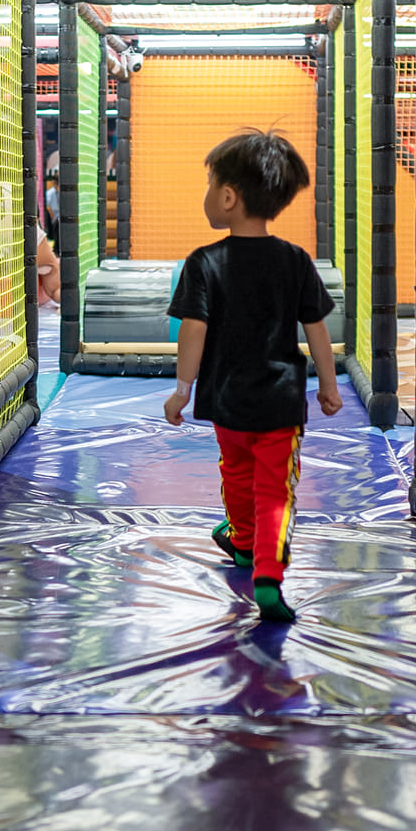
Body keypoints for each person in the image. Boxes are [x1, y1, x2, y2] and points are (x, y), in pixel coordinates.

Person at [162, 129, 341, 625]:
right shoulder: (295, 260)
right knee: (275, 490)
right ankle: (267, 573)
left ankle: (243, 542)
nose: (206, 195)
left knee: (236, 474)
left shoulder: (204, 262)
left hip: (226, 401)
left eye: (209, 185)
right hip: (279, 403)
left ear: (228, 197)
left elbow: (193, 331)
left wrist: (182, 390)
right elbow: (317, 330)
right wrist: (328, 386)